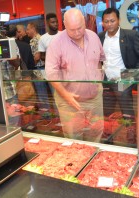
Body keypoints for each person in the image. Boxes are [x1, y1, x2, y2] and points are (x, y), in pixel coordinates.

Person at [45, 8, 105, 142]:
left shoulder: (94, 36)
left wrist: (98, 84)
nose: (77, 32)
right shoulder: (56, 43)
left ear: (84, 22)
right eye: (72, 30)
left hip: (94, 99)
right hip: (69, 101)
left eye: (80, 27)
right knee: (74, 138)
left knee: (95, 134)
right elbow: (51, 74)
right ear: (64, 26)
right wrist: (66, 95)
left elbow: (99, 62)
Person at [98, 8, 139, 120]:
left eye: (112, 21)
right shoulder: (100, 36)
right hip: (106, 81)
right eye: (106, 22)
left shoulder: (130, 35)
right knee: (107, 114)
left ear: (119, 20)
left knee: (127, 114)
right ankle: (108, 136)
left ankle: (131, 136)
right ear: (102, 23)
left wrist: (132, 75)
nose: (109, 24)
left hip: (123, 80)